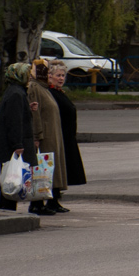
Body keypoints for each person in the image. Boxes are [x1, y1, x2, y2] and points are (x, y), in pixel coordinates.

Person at [0, 62, 37, 213]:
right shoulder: (17, 94)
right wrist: (17, 144)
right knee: (11, 178)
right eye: (28, 75)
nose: (30, 78)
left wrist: (27, 108)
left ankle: (8, 206)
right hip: (12, 144)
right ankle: (7, 207)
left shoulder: (15, 91)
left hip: (9, 142)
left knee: (10, 176)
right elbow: (14, 121)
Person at [27, 58, 68, 214]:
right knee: (41, 171)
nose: (51, 75)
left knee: (50, 170)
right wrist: (37, 135)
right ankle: (37, 203)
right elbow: (35, 114)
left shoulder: (43, 88)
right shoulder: (35, 87)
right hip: (45, 136)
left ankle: (51, 200)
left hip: (53, 134)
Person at [47, 59, 85, 205]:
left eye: (63, 75)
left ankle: (55, 199)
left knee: (62, 169)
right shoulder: (50, 93)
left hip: (66, 136)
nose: (61, 78)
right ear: (50, 76)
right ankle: (52, 199)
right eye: (58, 75)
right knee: (56, 169)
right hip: (58, 136)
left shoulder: (59, 92)